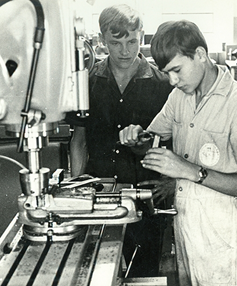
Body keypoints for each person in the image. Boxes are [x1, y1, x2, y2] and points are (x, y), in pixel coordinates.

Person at [119, 20, 237, 285]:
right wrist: (136, 139)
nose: (173, 81)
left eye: (177, 70)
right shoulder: (180, 97)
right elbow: (151, 141)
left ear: (200, 55)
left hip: (221, 235)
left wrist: (188, 171)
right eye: (167, 73)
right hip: (185, 225)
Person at [65, 4, 173, 278]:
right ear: (102, 41)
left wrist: (171, 182)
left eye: (132, 41)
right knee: (95, 271)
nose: (125, 51)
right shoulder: (86, 84)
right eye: (116, 43)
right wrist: (77, 186)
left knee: (143, 272)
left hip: (147, 197)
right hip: (99, 197)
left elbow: (179, 142)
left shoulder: (163, 85)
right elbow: (79, 140)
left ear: (142, 36)